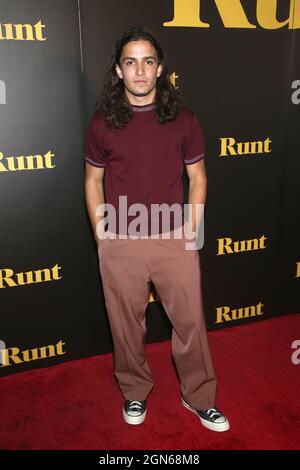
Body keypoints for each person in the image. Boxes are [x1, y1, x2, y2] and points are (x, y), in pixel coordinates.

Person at [84, 26, 230, 432]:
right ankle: (134, 392)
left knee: (190, 324)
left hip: (172, 238)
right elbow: (93, 182)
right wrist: (103, 237)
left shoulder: (184, 119)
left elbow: (198, 178)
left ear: (160, 67)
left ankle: (199, 397)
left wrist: (191, 233)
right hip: (121, 240)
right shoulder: (102, 124)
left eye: (148, 61)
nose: (140, 71)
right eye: (131, 62)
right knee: (126, 327)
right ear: (118, 70)